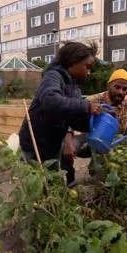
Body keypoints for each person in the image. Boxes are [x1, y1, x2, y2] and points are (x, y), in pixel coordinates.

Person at [19, 41, 106, 177]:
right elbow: (50, 100)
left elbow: (73, 118)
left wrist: (97, 119)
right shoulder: (53, 76)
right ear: (73, 62)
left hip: (53, 144)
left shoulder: (74, 87)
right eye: (87, 67)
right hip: (34, 143)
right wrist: (86, 106)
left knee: (52, 181)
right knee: (34, 183)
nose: (89, 73)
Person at [60, 69, 127, 183]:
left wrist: (126, 153)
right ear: (109, 85)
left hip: (112, 145)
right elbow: (72, 121)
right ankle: (69, 181)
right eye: (117, 87)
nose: (121, 92)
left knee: (100, 177)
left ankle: (98, 177)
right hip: (89, 139)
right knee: (64, 148)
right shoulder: (92, 101)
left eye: (125, 89)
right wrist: (68, 141)